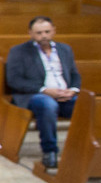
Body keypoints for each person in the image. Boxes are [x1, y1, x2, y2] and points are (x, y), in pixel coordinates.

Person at [4, 16, 81, 169]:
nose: (43, 36)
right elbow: (14, 80)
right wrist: (45, 90)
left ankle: (82, 151)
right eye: (39, 33)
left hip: (64, 95)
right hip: (34, 95)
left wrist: (72, 90)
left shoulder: (65, 49)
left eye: (47, 31)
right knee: (47, 105)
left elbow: (74, 74)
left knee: (86, 105)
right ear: (30, 33)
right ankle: (50, 152)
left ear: (53, 31)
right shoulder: (19, 51)